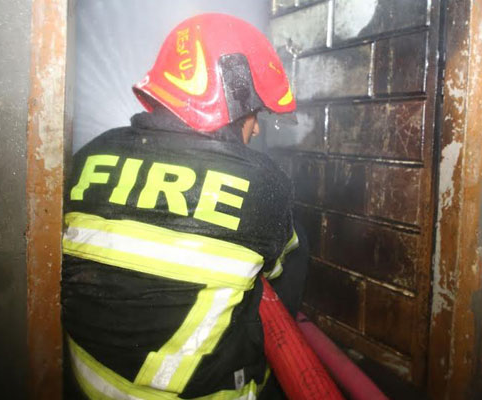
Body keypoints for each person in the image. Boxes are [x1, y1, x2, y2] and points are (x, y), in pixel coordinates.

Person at [61, 13, 305, 399]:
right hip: (195, 394)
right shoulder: (263, 182)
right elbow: (276, 270)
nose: (257, 128)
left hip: (86, 382)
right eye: (254, 113)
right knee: (292, 244)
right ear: (232, 103)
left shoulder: (90, 153)